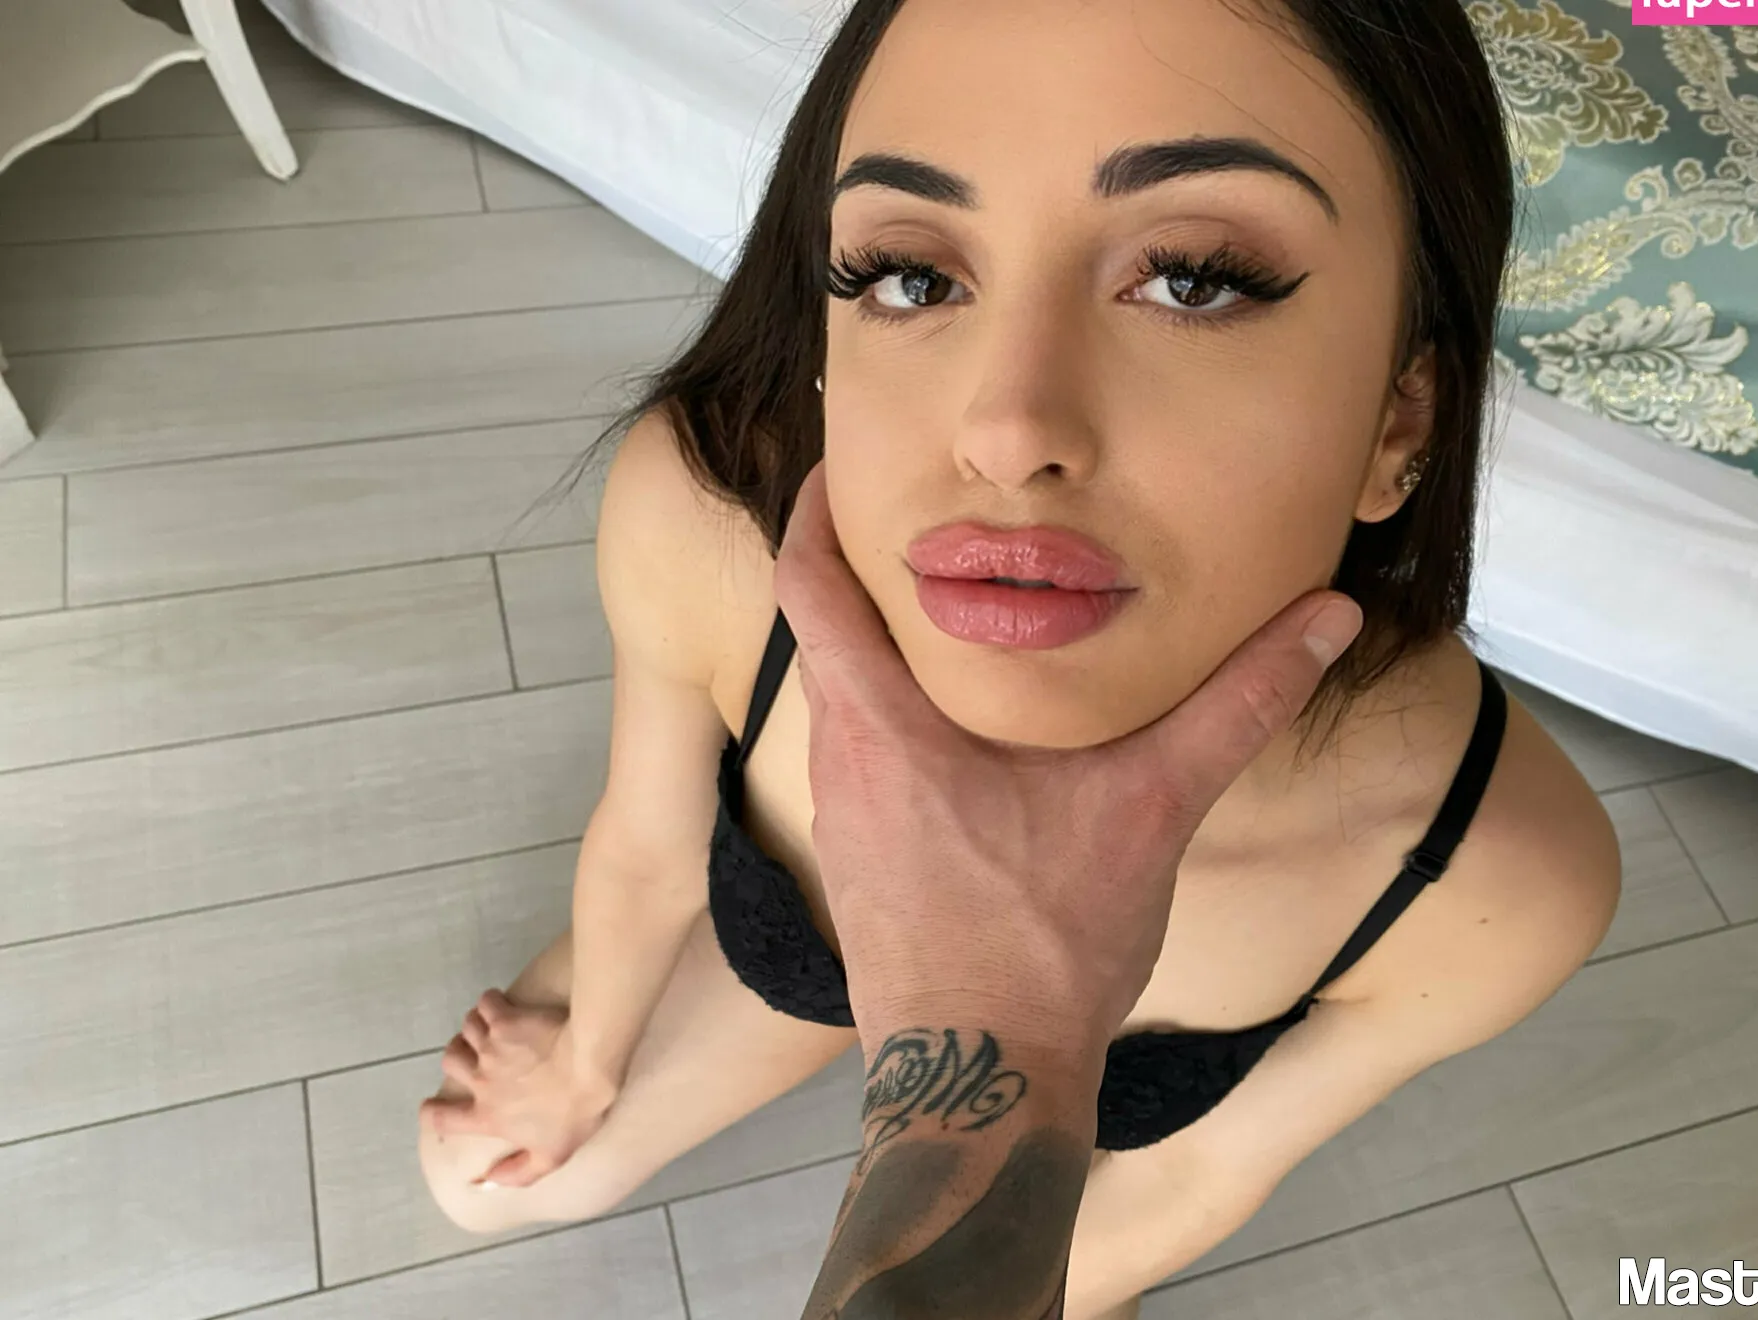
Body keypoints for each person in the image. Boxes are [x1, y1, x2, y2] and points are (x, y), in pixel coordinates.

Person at [417, 1, 1625, 1316]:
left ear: (1403, 415)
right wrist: (584, 1065)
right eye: (911, 276)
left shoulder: (1495, 877)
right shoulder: (704, 522)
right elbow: (648, 847)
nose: (1004, 432)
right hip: (778, 967)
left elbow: (1187, 1182)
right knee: (483, 1180)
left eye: (1193, 280)